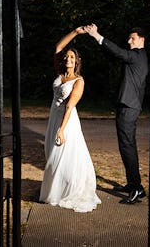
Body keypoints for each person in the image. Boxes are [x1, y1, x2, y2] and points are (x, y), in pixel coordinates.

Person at [83, 23, 148, 204]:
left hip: (129, 107)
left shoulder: (137, 55)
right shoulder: (139, 56)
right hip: (128, 106)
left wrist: (97, 35)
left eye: (132, 38)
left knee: (127, 146)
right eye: (129, 38)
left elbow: (119, 52)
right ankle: (134, 184)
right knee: (126, 146)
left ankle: (136, 189)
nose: (129, 41)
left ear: (142, 40)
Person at [38, 27, 102, 213]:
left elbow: (69, 106)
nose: (68, 59)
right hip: (53, 118)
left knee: (62, 157)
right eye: (67, 57)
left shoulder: (78, 81)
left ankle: (67, 190)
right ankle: (55, 191)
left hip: (66, 122)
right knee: (51, 155)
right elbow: (58, 47)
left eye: (72, 58)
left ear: (77, 62)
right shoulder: (60, 74)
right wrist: (75, 32)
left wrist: (62, 129)